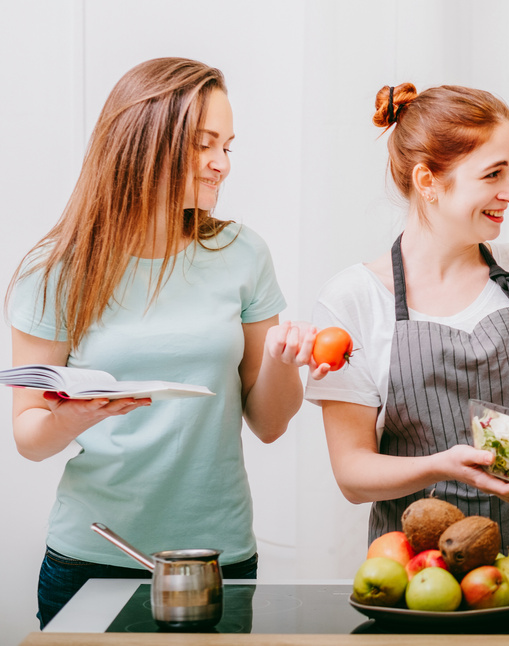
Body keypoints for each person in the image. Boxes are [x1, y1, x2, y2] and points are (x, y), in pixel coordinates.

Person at [6, 58, 322, 628]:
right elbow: (29, 435)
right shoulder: (54, 270)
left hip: (217, 559)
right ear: (144, 145)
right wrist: (78, 414)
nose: (222, 164)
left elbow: (271, 423)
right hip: (94, 556)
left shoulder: (242, 254)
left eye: (228, 145)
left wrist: (280, 362)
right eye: (206, 145)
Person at [305, 83, 509, 579]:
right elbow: (353, 474)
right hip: (422, 572)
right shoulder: (353, 300)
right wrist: (443, 465)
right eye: (493, 174)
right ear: (427, 180)